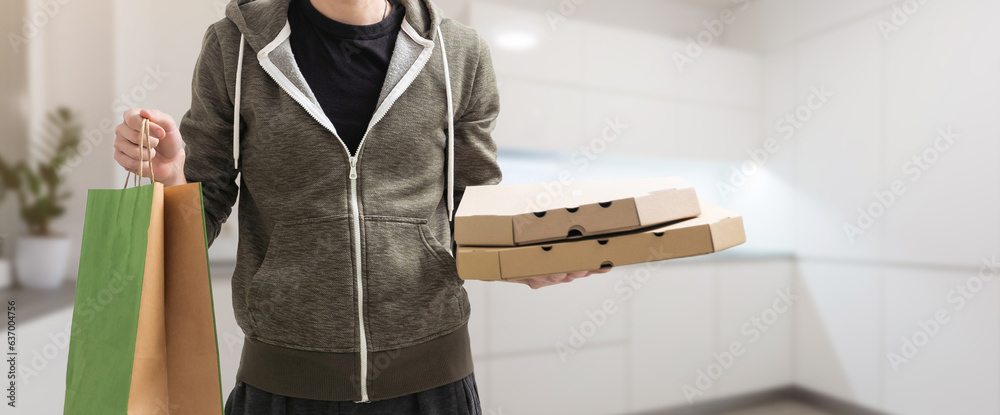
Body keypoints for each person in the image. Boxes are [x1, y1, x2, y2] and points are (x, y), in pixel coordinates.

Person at [112, 0, 610, 413]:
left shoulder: (459, 53)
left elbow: (474, 206)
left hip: (433, 384)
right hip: (282, 386)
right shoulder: (234, 47)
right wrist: (171, 178)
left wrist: (524, 259)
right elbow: (199, 210)